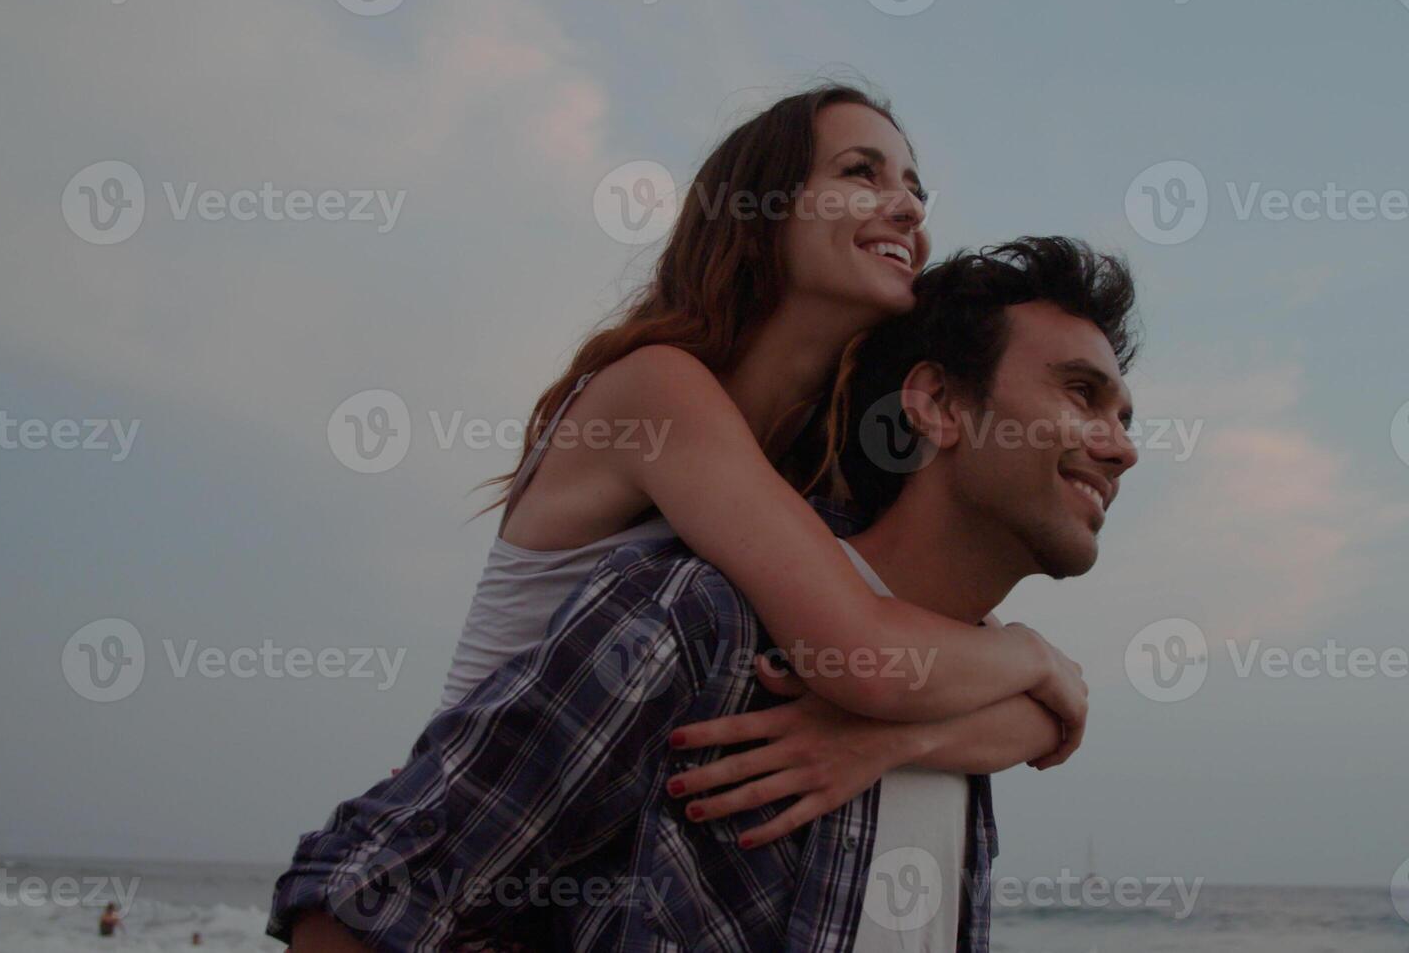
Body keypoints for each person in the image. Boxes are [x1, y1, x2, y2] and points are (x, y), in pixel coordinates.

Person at [268, 236, 1139, 952]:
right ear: (938, 404)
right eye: (1081, 394)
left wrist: (922, 725)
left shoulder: (985, 689)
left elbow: (1055, 717)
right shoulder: (699, 625)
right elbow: (362, 898)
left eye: (1125, 418)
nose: (1121, 448)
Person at [437, 82, 1088, 758]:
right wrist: (1031, 653)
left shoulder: (824, 451)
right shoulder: (655, 390)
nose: (908, 210)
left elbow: (1042, 721)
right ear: (763, 211)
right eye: (861, 173)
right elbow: (876, 660)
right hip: (467, 828)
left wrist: (885, 744)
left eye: (916, 192)